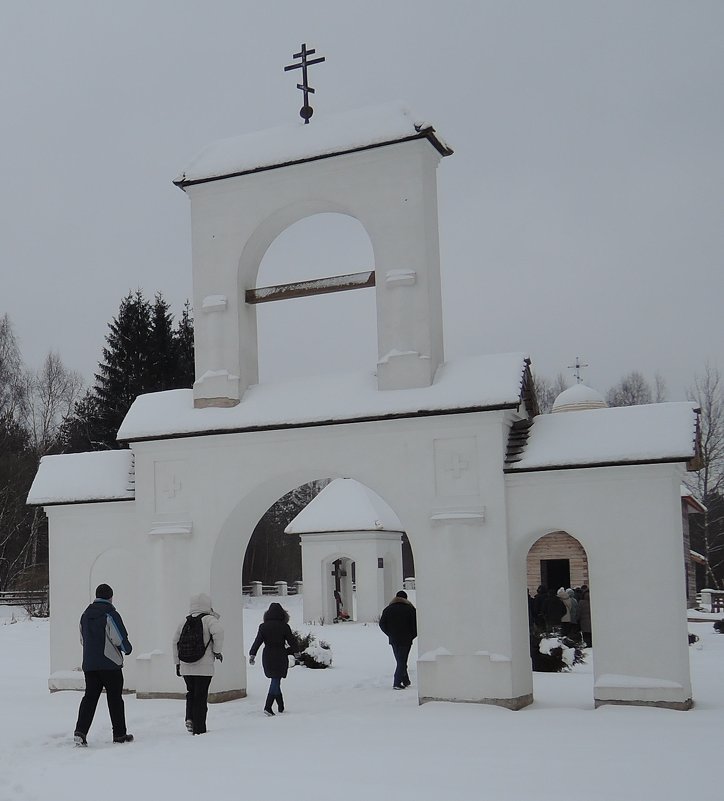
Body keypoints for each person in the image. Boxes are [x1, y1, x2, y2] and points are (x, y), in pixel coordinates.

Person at [73, 583, 133, 746]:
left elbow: (82, 639)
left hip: (90, 665)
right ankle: (119, 734)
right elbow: (118, 637)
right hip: (110, 664)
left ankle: (80, 732)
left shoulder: (85, 615)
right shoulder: (110, 614)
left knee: (90, 698)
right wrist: (127, 649)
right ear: (110, 597)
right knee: (115, 699)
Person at [172, 593, 224, 735]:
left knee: (191, 693)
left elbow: (174, 642)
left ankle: (190, 718)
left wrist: (177, 663)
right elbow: (218, 633)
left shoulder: (184, 621)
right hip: (204, 667)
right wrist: (217, 651)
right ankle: (199, 728)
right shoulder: (209, 620)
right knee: (201, 697)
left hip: (186, 666)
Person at [249, 602, 298, 716]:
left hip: (268, 654)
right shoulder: (284, 626)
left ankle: (281, 706)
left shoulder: (263, 626)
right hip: (280, 654)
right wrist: (296, 652)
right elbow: (291, 641)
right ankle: (268, 706)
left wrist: (252, 654)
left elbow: (258, 641)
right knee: (276, 679)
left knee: (275, 679)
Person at [378, 590, 417, 689]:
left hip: (394, 639)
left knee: (400, 660)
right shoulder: (410, 609)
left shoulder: (388, 609)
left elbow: (382, 624)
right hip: (406, 639)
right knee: (402, 661)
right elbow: (416, 625)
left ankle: (405, 680)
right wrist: (412, 635)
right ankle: (396, 682)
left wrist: (390, 634)